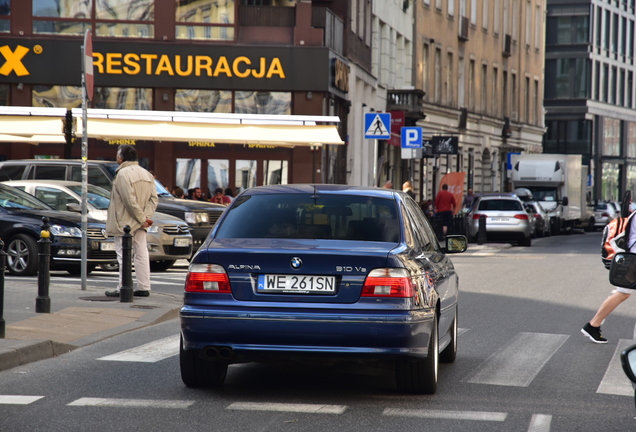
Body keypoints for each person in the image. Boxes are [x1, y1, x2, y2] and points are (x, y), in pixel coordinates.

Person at [105, 145, 158, 298]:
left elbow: (129, 200)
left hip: (124, 221)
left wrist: (142, 219)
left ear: (121, 158)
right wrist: (145, 218)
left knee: (123, 255)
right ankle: (144, 286)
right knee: (141, 253)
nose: (116, 157)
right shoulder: (146, 174)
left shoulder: (122, 174)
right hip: (141, 222)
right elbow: (154, 199)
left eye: (117, 154)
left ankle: (123, 286)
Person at [582, 205, 636, 343]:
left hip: (631, 260)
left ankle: (593, 325)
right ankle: (593, 325)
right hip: (633, 261)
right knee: (623, 293)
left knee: (622, 293)